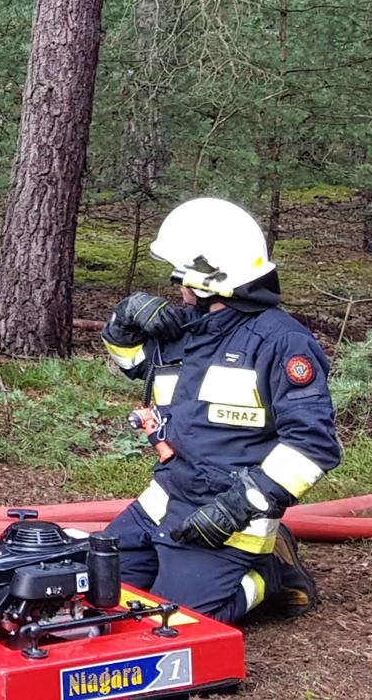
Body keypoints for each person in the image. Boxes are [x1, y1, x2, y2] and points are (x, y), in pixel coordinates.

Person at [98, 197, 339, 624]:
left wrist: (235, 506)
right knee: (95, 585)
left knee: (173, 622)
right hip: (166, 498)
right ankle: (178, 569)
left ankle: (269, 575)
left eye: (180, 277)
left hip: (232, 518)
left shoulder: (282, 343)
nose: (177, 288)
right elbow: (133, 362)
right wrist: (123, 319)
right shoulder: (186, 329)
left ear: (209, 281)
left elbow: (312, 446)